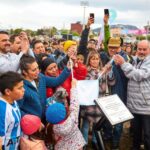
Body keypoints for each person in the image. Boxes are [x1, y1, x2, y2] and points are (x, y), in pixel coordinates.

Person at [114, 40, 150, 150]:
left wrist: (123, 64)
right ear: (136, 49)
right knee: (136, 133)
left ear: (149, 50)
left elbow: (139, 75)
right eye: (140, 49)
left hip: (146, 105)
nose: (142, 51)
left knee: (148, 135)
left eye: (144, 49)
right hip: (134, 105)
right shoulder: (134, 60)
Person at [18, 55, 71, 122]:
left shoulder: (40, 77)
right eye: (34, 70)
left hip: (44, 117)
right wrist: (31, 120)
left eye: (37, 68)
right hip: (32, 123)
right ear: (24, 72)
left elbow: (55, 81)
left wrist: (67, 69)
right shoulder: (21, 87)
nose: (37, 71)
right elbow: (18, 109)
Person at [80, 51, 115, 149]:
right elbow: (92, 82)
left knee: (97, 126)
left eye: (97, 58)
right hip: (89, 103)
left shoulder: (102, 70)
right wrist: (102, 72)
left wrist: (110, 73)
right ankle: (84, 144)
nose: (95, 61)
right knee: (86, 126)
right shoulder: (86, 71)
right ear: (89, 60)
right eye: (93, 58)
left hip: (100, 103)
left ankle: (96, 142)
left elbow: (111, 83)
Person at [46, 79, 86, 150]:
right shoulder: (72, 120)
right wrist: (73, 87)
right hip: (77, 146)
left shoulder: (51, 127)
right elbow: (75, 104)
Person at [0, 71, 25, 149]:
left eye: (23, 86)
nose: (23, 90)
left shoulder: (13, 101)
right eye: (19, 88)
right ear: (8, 91)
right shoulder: (2, 111)